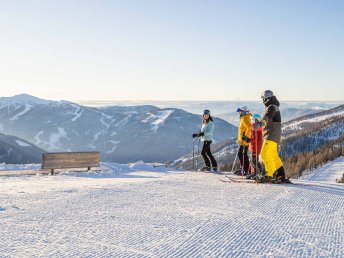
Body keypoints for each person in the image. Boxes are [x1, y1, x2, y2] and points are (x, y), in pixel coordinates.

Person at [258, 90, 290, 183]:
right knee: (273, 156)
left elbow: (267, 117)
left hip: (271, 135)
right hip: (274, 136)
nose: (263, 100)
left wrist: (260, 123)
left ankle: (269, 175)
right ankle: (280, 175)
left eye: (263, 99)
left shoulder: (272, 107)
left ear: (266, 98)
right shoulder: (274, 106)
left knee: (264, 154)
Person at [234, 106, 251, 176]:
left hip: (244, 141)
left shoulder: (245, 118)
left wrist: (246, 136)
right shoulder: (243, 118)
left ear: (243, 112)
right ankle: (245, 169)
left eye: (240, 112)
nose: (239, 113)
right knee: (243, 155)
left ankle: (245, 170)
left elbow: (250, 127)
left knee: (241, 154)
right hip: (243, 140)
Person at [246, 114, 264, 179]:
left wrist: (247, 139)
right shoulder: (255, 127)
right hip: (254, 146)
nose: (252, 121)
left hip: (255, 146)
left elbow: (255, 138)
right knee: (253, 160)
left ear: (256, 120)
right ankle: (256, 172)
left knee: (253, 160)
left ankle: (258, 172)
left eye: (253, 120)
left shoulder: (256, 128)